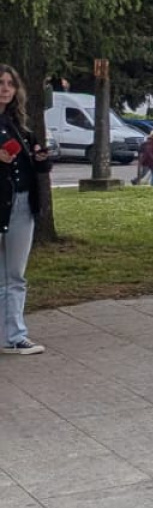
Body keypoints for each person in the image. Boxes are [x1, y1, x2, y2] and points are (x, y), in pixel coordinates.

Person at [0, 64, 53, 356]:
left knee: (15, 274)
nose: (5, 88)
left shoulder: (18, 126)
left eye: (10, 84)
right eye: (0, 83)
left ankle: (14, 336)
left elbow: (37, 166)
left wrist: (41, 159)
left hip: (21, 203)